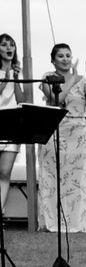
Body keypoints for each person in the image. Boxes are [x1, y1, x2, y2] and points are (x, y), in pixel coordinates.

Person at [38, 43, 86, 233]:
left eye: (68, 55)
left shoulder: (80, 78)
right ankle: (53, 220)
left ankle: (77, 221)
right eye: (61, 56)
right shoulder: (49, 78)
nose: (65, 59)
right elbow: (57, 100)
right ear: (53, 60)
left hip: (77, 132)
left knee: (77, 178)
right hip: (55, 130)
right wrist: (70, 78)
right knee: (55, 177)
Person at [0, 33, 27, 216]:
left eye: (12, 45)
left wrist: (16, 78)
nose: (9, 48)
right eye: (4, 44)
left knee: (4, 172)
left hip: (12, 125)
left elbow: (21, 100)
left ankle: (0, 211)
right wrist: (7, 75)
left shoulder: (17, 73)